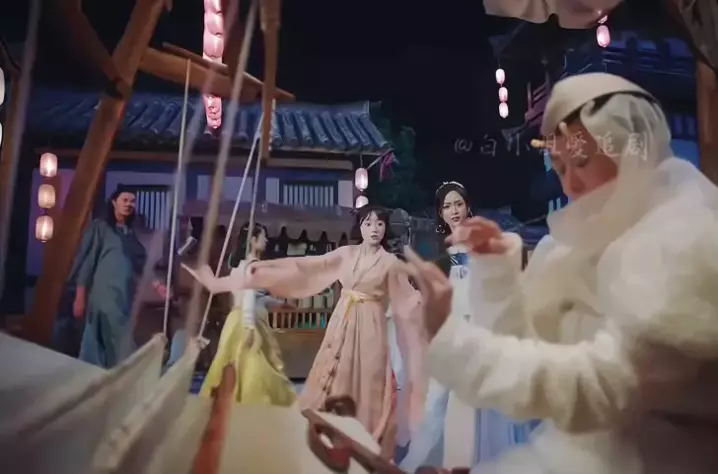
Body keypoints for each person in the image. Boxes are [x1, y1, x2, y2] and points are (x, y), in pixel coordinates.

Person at [398, 73, 718, 473]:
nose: (571, 184)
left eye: (582, 162)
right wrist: (498, 273)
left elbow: (600, 387)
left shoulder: (684, 238)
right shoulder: (566, 247)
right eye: (561, 167)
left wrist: (453, 342)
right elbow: (530, 348)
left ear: (631, 150)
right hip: (569, 452)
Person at [245, 205, 425, 459]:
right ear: (360, 227)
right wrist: (267, 267)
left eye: (379, 224)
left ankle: (366, 437)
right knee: (337, 374)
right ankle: (332, 430)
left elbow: (408, 297)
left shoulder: (391, 262)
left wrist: (431, 302)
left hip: (372, 326)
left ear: (385, 228)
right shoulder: (346, 254)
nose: (374, 229)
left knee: (370, 378)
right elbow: (308, 265)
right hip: (343, 320)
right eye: (368, 223)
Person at [401, 182, 535, 470]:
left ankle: (472, 461)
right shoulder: (437, 249)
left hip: (479, 328)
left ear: (467, 206)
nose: (454, 211)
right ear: (440, 213)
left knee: (476, 403)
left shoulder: (483, 243)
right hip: (449, 330)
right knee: (436, 400)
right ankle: (420, 461)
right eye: (447, 206)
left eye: (458, 204)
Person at [184, 222, 296, 406]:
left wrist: (280, 304)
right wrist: (249, 325)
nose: (266, 240)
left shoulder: (243, 266)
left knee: (240, 362)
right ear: (253, 240)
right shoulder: (251, 266)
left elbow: (255, 296)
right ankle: (253, 403)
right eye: (263, 236)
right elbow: (249, 294)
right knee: (253, 364)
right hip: (247, 321)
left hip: (245, 319)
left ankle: (239, 401)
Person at [73, 189, 168, 368]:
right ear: (114, 202)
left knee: (112, 339)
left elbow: (143, 264)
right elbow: (88, 263)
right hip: (104, 294)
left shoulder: (129, 234)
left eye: (132, 201)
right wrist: (80, 295)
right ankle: (135, 369)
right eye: (125, 200)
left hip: (124, 294)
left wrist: (157, 285)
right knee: (114, 336)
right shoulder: (101, 227)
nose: (129, 204)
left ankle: (114, 374)